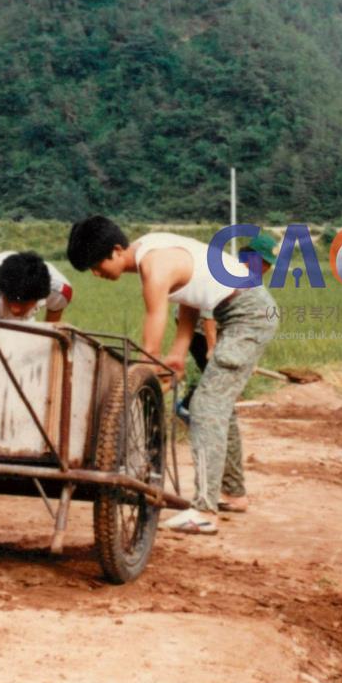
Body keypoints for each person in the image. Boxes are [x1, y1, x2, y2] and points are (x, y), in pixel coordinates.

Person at [67, 218, 278, 534]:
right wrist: (177, 354)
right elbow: (190, 298)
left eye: (96, 265)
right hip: (241, 310)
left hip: (248, 316)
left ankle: (204, 511)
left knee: (205, 408)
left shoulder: (154, 267)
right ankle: (232, 493)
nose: (96, 274)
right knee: (218, 405)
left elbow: (152, 336)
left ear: (115, 250)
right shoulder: (153, 250)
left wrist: (142, 372)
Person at [177, 231, 278, 515]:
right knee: (217, 409)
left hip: (223, 337)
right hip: (200, 335)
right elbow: (207, 313)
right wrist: (212, 348)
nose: (267, 269)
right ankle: (231, 491)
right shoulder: (233, 271)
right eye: (265, 263)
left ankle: (231, 492)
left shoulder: (247, 279)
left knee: (218, 409)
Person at [0, 250, 73, 322]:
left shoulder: (60, 290)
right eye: (10, 300)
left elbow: (52, 326)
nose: (15, 309)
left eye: (23, 303)